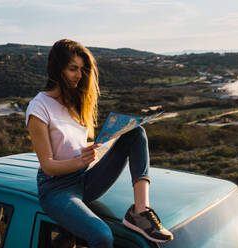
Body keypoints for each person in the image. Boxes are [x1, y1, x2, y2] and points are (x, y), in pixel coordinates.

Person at [25, 39, 173, 248]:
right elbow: (48, 166)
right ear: (57, 69)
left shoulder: (75, 102)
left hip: (85, 178)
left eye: (82, 70)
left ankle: (140, 211)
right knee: (102, 236)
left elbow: (73, 145)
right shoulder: (38, 108)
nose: (79, 75)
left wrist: (104, 143)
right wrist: (79, 161)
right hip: (57, 189)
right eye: (73, 69)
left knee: (136, 132)